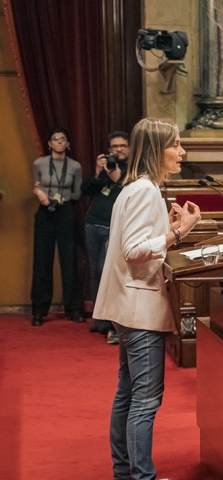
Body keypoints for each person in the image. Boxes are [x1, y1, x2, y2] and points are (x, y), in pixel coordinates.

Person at [94, 118, 202, 480]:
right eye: (177, 145)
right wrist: (179, 232)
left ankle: (125, 477)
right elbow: (134, 250)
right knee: (144, 400)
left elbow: (137, 245)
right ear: (158, 149)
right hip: (139, 309)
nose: (182, 152)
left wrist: (172, 228)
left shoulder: (139, 188)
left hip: (130, 306)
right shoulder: (143, 190)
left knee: (128, 393)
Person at [30, 127, 84, 326]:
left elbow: (77, 193)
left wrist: (63, 197)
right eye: (55, 139)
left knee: (69, 260)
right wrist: (39, 193)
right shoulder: (39, 163)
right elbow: (36, 184)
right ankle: (39, 309)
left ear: (68, 143)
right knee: (42, 260)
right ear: (49, 143)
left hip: (65, 211)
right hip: (45, 211)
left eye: (63, 139)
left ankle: (74, 308)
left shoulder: (75, 166)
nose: (59, 142)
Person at [82, 130, 130, 340]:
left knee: (107, 271)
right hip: (93, 224)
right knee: (95, 272)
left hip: (113, 227)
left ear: (129, 148)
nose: (118, 149)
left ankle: (113, 322)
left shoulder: (132, 170)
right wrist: (97, 171)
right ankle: (99, 318)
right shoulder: (105, 167)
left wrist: (118, 179)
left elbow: (129, 195)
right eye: (114, 146)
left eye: (122, 145)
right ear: (108, 149)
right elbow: (86, 189)